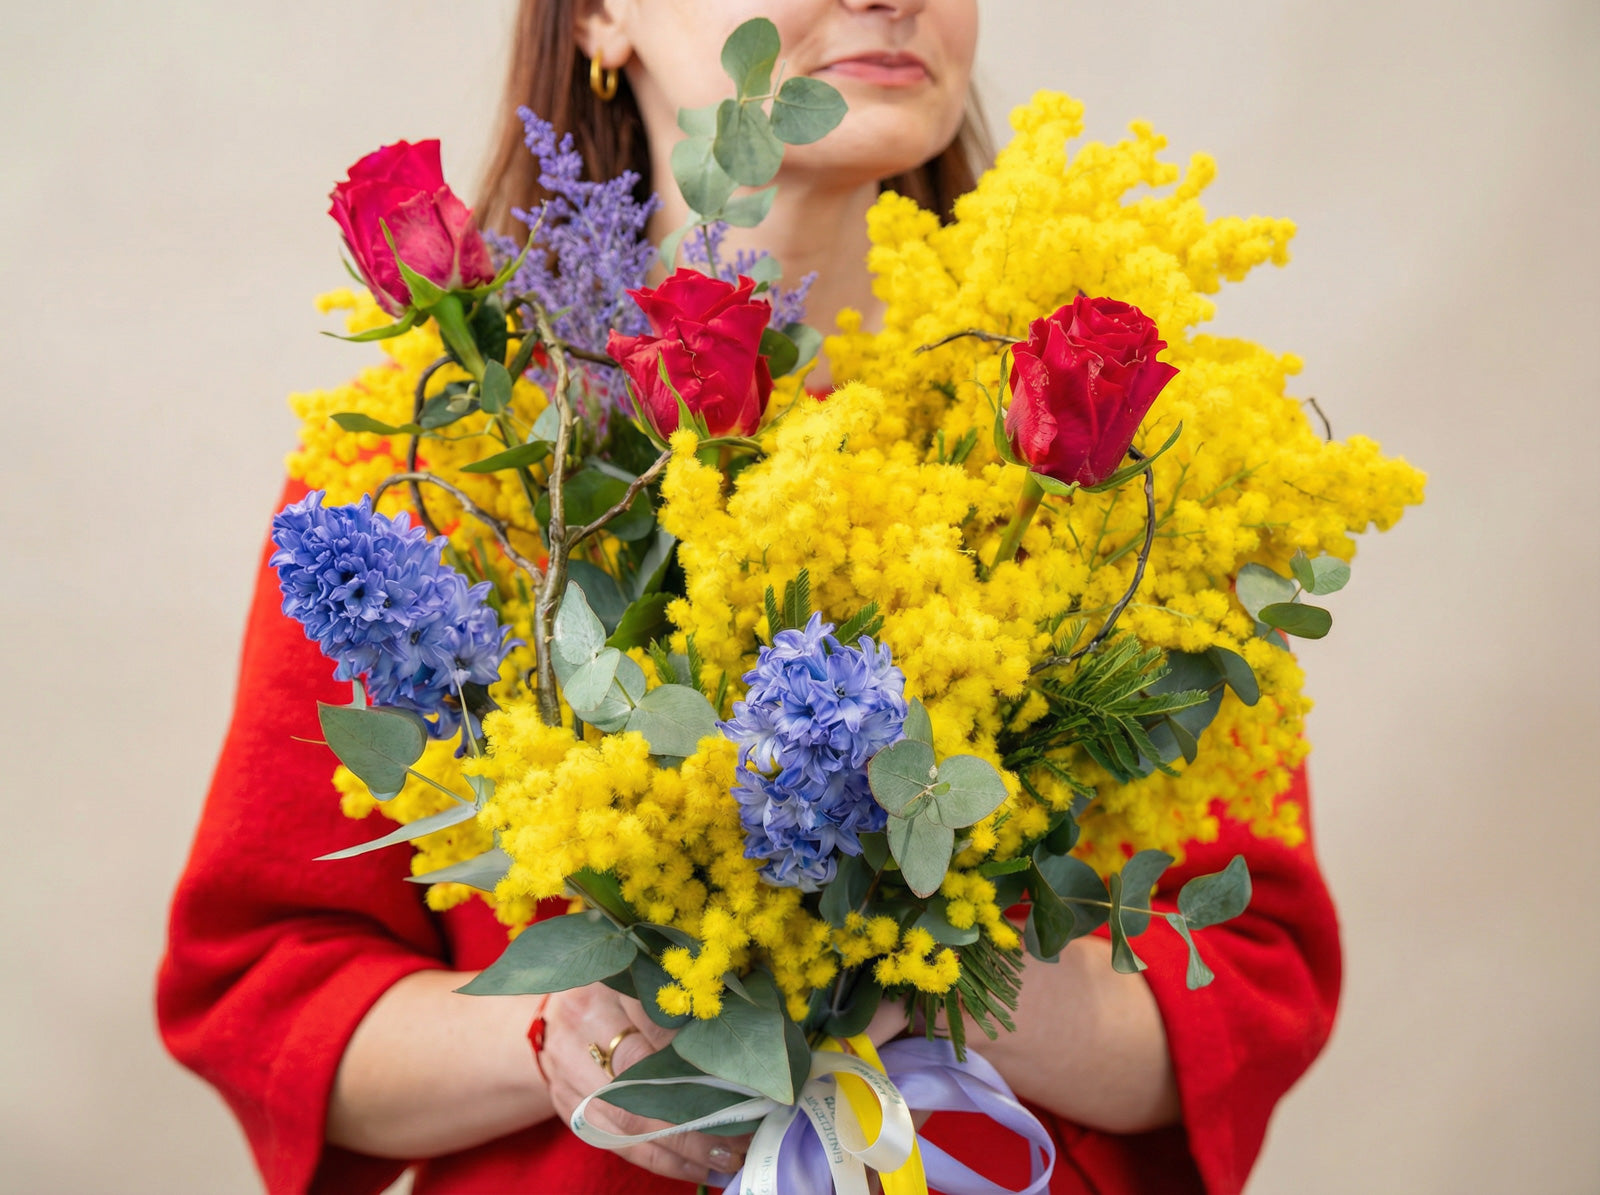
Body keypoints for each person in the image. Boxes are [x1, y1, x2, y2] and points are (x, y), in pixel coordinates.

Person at [158, 2, 1341, 1192]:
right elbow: (269, 993)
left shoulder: (1131, 452)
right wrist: (565, 1039)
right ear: (601, 16)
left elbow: (1248, 983)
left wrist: (957, 982)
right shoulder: (431, 483)